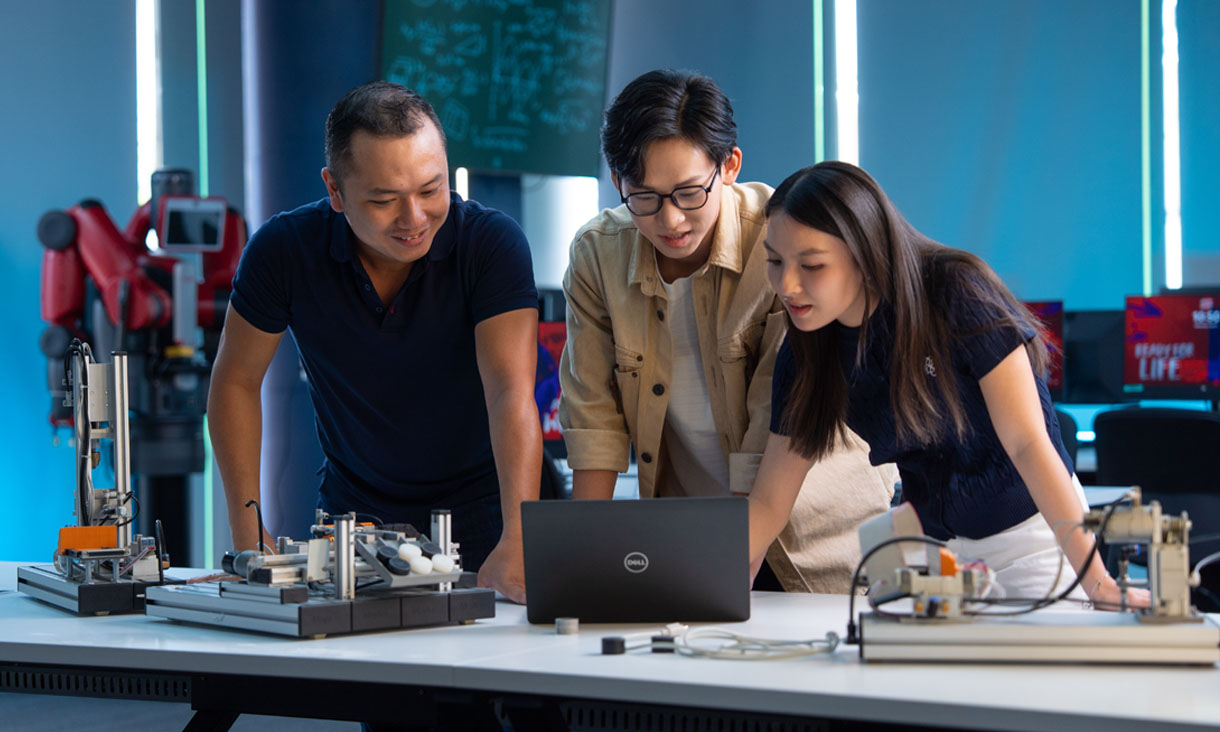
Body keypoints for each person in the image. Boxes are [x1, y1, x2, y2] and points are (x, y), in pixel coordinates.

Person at [749, 161, 1148, 607]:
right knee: (888, 665)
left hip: (1029, 535)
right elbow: (768, 504)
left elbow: (1029, 446)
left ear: (864, 255)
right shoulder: (807, 349)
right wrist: (710, 598)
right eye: (775, 260)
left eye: (812, 265)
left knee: (1038, 669)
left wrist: (1099, 585)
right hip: (929, 542)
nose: (787, 284)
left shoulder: (956, 291)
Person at [560, 69, 896, 593]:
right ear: (616, 180)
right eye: (643, 197)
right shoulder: (597, 256)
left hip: (819, 540)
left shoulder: (781, 242)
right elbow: (594, 421)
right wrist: (579, 565)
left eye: (689, 193)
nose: (670, 220)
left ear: (729, 166)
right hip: (693, 537)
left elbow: (771, 424)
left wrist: (724, 566)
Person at [208, 81, 541, 603]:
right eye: (385, 200)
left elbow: (510, 394)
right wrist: (248, 537)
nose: (414, 219)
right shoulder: (284, 251)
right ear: (335, 191)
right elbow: (235, 382)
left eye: (431, 190)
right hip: (353, 516)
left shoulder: (491, 244)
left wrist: (519, 540)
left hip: (488, 512)